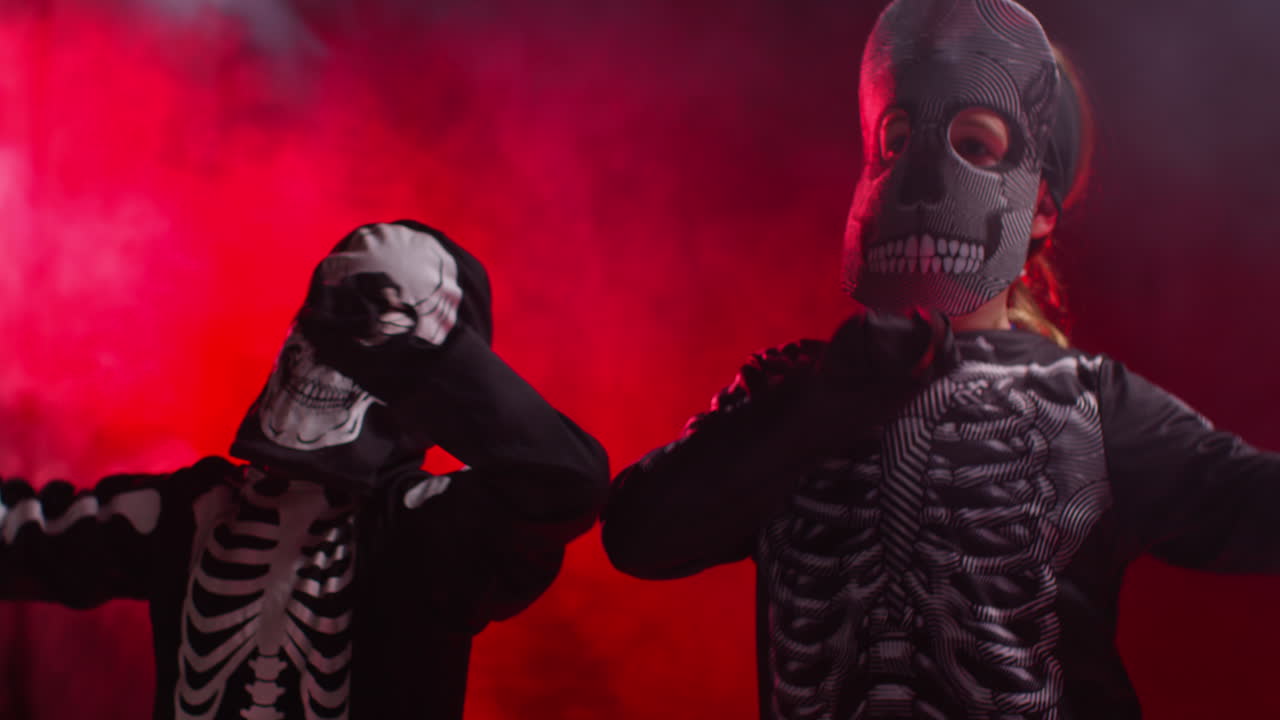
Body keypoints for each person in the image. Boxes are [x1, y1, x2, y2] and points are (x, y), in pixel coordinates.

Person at [602, 0, 1280, 718]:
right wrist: (822, 402)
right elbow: (640, 533)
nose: (924, 181)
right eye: (898, 140)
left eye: (977, 146)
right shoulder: (791, 387)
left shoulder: (1092, 403)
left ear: (1041, 208)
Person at [0, 220, 609, 720]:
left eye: (372, 324)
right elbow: (21, 534)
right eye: (323, 317)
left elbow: (564, 484)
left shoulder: (425, 527)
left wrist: (415, 358)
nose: (330, 343)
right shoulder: (189, 510)